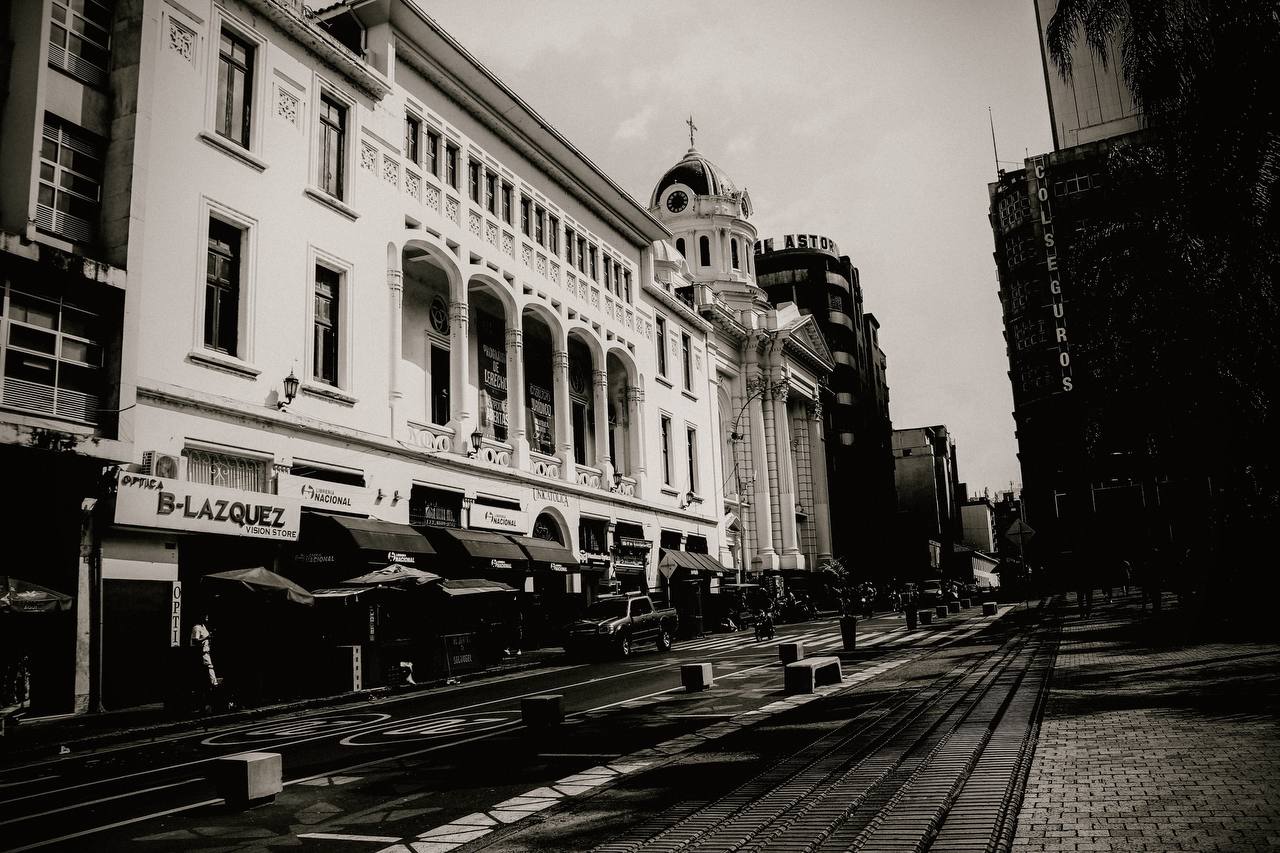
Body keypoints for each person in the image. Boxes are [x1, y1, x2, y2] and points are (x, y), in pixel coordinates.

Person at [189, 614, 218, 711]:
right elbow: (195, 641)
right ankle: (214, 683)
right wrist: (207, 637)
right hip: (201, 653)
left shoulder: (203, 626)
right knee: (209, 668)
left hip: (206, 652)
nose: (207, 618)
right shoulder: (197, 628)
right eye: (205, 617)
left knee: (209, 668)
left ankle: (212, 684)